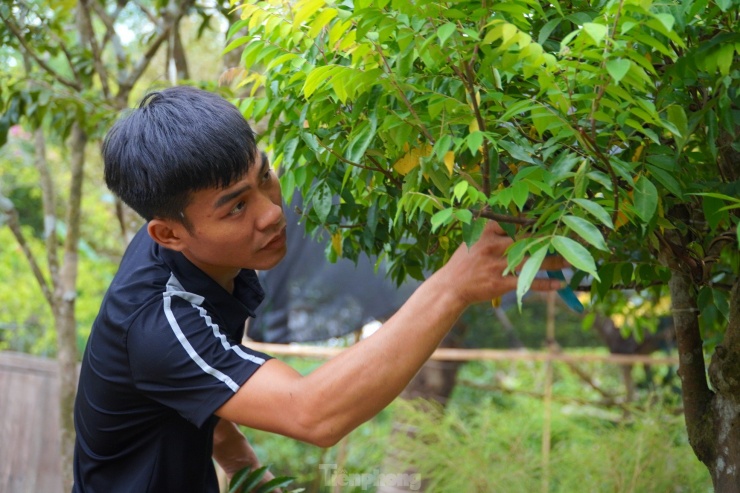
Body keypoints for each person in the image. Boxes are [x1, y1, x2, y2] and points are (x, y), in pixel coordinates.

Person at [72, 86, 566, 492]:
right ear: (170, 234)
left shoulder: (190, 248)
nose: (271, 212)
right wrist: (453, 287)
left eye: (264, 176)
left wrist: (246, 469)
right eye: (237, 207)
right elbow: (312, 414)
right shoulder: (158, 321)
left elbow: (205, 384)